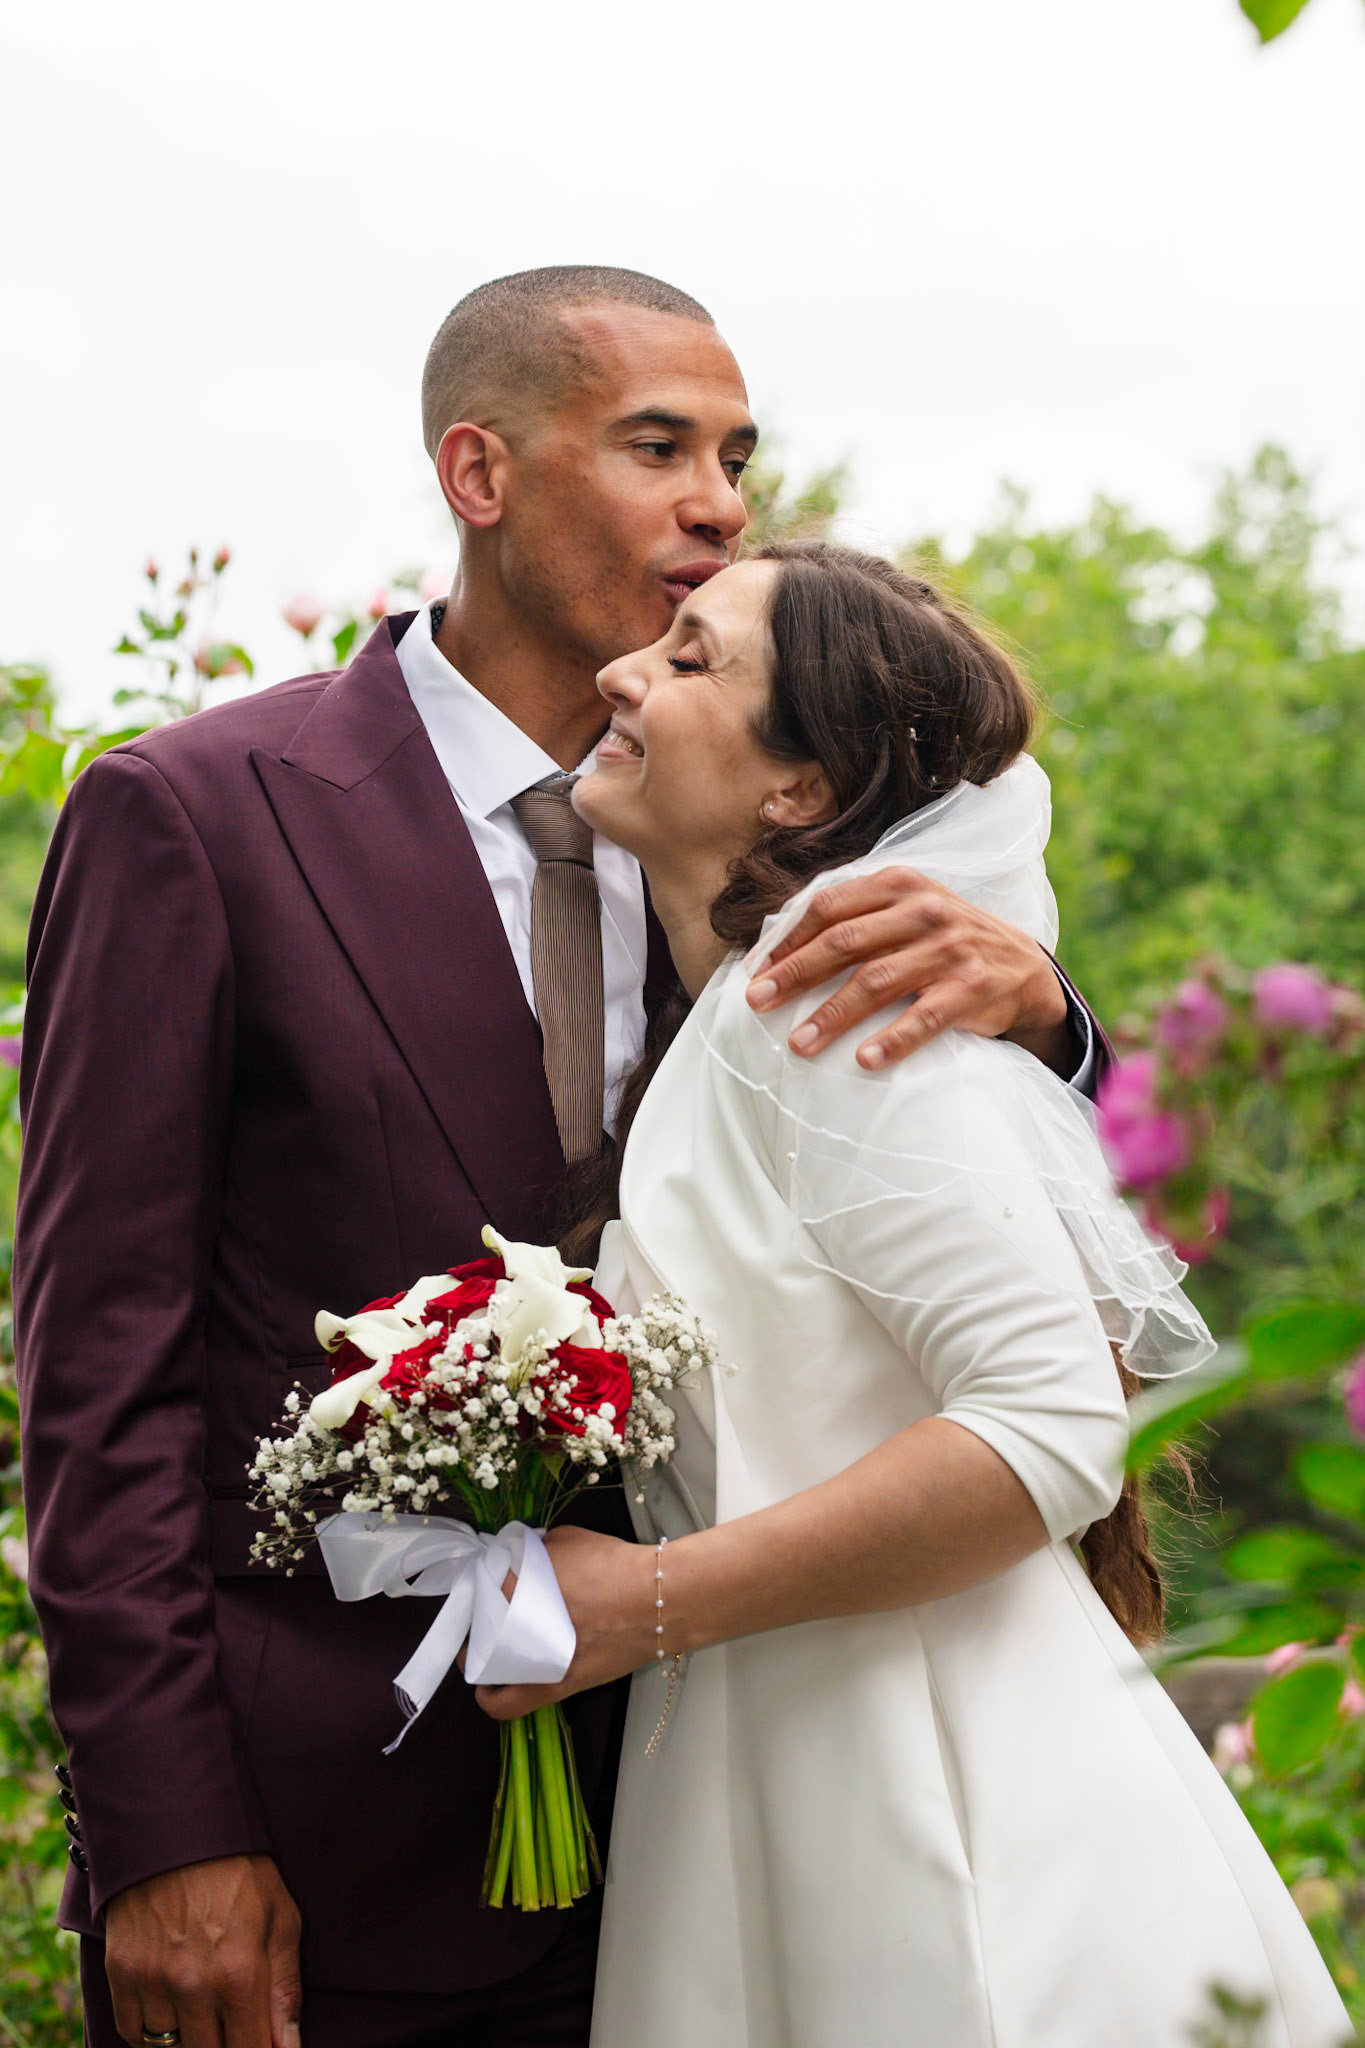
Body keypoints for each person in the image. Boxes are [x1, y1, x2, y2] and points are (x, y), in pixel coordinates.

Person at [15, 271, 1105, 2048]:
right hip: (325, 1851)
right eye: (656, 446)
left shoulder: (759, 823)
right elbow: (97, 1379)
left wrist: (1053, 1016)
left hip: (734, 1811)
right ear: (480, 472)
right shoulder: (197, 818)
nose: (719, 505)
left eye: (737, 457)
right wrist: (165, 1830)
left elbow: (946, 1159)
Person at [474, 543, 1354, 2048]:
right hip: (777, 1756)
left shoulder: (835, 1018)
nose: (621, 674)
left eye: (688, 661)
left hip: (942, 1790)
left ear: (800, 793)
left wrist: (643, 1604)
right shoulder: (740, 1025)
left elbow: (1050, 1423)